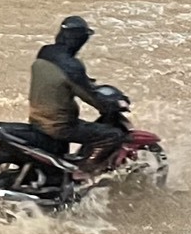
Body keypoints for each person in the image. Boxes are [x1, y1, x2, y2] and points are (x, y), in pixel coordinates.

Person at [30, 15, 128, 161]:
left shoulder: (45, 52)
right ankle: (85, 171)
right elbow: (91, 97)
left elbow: (60, 81)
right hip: (59, 127)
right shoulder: (72, 67)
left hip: (37, 120)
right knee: (113, 135)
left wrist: (86, 82)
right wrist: (109, 105)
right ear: (79, 40)